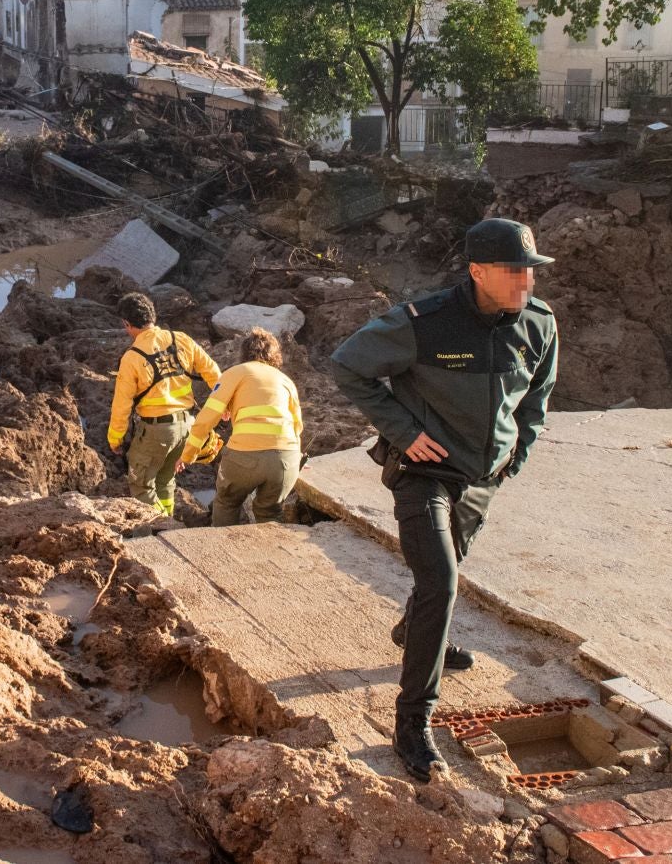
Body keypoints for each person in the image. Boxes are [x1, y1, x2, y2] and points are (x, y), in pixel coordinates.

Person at [329, 217, 558, 783]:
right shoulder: (423, 323)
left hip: (482, 480)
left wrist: (517, 455)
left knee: (445, 570)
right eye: (514, 272)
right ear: (478, 272)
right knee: (442, 583)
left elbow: (538, 398)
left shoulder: (540, 324)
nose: (526, 282)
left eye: (531, 270)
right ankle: (413, 723)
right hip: (424, 474)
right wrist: (404, 432)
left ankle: (415, 632)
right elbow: (348, 366)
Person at [106, 292, 221, 516]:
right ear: (153, 316)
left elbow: (122, 405)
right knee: (165, 480)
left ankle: (158, 527)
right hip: (187, 426)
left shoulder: (132, 357)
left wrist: (115, 438)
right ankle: (167, 521)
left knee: (141, 487)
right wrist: (222, 406)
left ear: (127, 324)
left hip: (156, 431)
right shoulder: (181, 339)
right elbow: (214, 373)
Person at [184, 327, 304, 526]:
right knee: (270, 512)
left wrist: (188, 455)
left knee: (227, 503)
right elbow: (297, 426)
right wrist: (295, 458)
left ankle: (223, 550)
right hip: (286, 459)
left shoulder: (236, 372)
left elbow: (206, 419)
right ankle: (273, 553)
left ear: (244, 352)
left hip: (245, 456)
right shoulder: (286, 381)